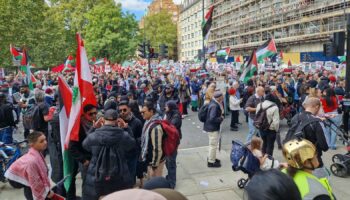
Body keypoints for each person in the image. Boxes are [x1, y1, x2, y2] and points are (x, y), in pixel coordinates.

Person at [82, 109, 135, 199]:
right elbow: (132, 145)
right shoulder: (123, 135)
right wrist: (126, 128)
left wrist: (94, 128)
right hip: (119, 175)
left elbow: (85, 145)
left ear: (102, 120)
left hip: (96, 175)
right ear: (118, 120)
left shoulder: (94, 135)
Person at [5, 131, 59, 200]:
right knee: (34, 191)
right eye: (41, 141)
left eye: (45, 139)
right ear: (32, 145)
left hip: (26, 180)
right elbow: (36, 183)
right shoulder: (32, 161)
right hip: (20, 183)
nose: (45, 142)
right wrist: (48, 193)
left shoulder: (37, 153)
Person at [69, 104, 103, 199]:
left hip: (97, 159)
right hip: (86, 161)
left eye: (95, 113)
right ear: (84, 114)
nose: (93, 115)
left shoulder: (97, 123)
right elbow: (72, 148)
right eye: (90, 114)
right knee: (88, 184)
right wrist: (83, 160)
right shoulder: (79, 127)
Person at [289, 97, 329, 167]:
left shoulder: (295, 117)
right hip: (313, 158)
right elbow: (324, 146)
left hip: (297, 156)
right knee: (320, 176)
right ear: (316, 107)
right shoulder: (316, 122)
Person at [118, 99, 143, 186]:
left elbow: (140, 139)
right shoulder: (116, 121)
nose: (122, 112)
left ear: (129, 109)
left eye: (124, 110)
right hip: (120, 155)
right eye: (120, 110)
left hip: (132, 155)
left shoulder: (137, 122)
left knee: (131, 178)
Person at [141, 101, 165, 178]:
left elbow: (157, 149)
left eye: (144, 112)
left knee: (155, 185)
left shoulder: (155, 127)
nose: (142, 114)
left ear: (151, 111)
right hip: (150, 160)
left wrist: (154, 167)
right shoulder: (148, 122)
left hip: (155, 163)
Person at [164, 100, 182, 188]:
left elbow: (172, 126)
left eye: (166, 106)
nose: (165, 108)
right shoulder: (169, 113)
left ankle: (172, 183)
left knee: (171, 161)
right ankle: (170, 177)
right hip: (169, 140)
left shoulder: (176, 115)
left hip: (173, 141)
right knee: (168, 161)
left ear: (170, 107)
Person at [204, 90, 224, 168]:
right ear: (219, 98)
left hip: (210, 127)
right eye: (222, 97)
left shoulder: (213, 102)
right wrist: (221, 118)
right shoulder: (214, 106)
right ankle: (211, 162)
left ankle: (211, 157)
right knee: (213, 145)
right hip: (212, 128)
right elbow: (212, 118)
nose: (223, 98)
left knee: (212, 144)